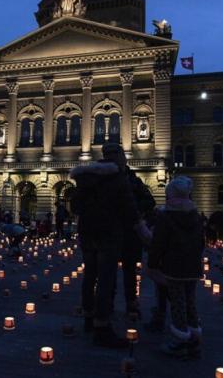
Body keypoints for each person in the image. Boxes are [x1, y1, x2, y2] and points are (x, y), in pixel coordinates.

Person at [71, 143, 139, 348]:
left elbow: (74, 206)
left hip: (87, 233)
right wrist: (144, 233)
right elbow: (130, 208)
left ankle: (89, 319)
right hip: (108, 235)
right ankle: (102, 327)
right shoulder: (117, 178)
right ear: (118, 158)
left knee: (90, 276)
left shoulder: (85, 178)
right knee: (106, 279)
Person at [147, 176, 204, 358]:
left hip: (174, 266)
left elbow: (159, 242)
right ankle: (194, 337)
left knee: (178, 302)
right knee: (190, 301)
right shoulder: (195, 215)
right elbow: (201, 242)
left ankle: (180, 340)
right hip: (192, 266)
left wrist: (153, 263)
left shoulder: (166, 216)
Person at [103, 143, 155, 319]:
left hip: (129, 233)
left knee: (129, 272)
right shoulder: (100, 178)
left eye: (116, 155)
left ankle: (131, 304)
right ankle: (106, 305)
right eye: (109, 156)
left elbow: (149, 201)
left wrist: (133, 211)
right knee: (107, 272)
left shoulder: (133, 180)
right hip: (109, 232)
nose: (114, 159)